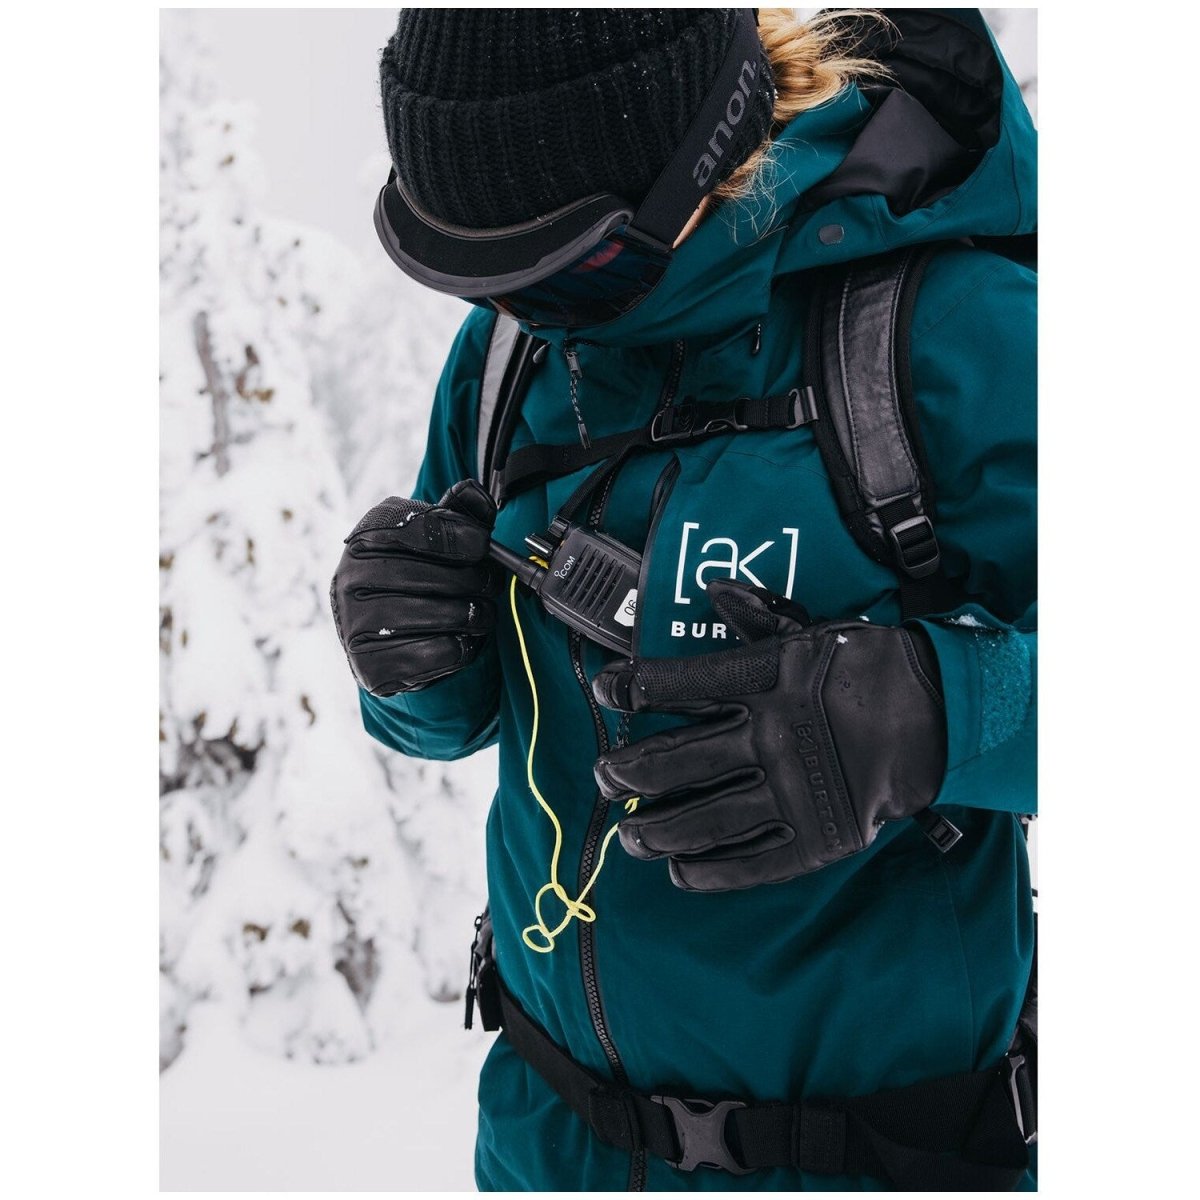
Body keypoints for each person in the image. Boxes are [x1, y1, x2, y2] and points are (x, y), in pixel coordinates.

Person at [330, 8, 1037, 1191]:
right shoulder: (508, 356)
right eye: (488, 275)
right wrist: (412, 659)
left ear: (710, 151)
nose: (538, 312)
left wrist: (936, 714)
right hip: (548, 1143)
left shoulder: (954, 337)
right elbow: (459, 720)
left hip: (873, 1156)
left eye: (576, 265)